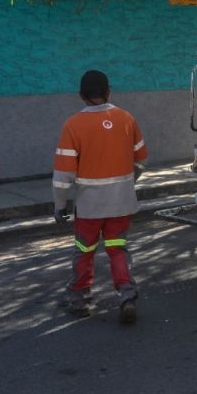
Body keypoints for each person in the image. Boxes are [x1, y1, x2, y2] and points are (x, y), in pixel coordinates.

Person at [53, 70, 147, 324]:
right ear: (108, 92)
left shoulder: (73, 125)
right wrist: (127, 184)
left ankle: (80, 300)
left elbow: (64, 174)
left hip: (89, 208)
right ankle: (127, 294)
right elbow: (140, 160)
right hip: (121, 204)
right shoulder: (126, 119)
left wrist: (60, 205)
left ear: (81, 96)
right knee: (118, 250)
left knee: (84, 252)